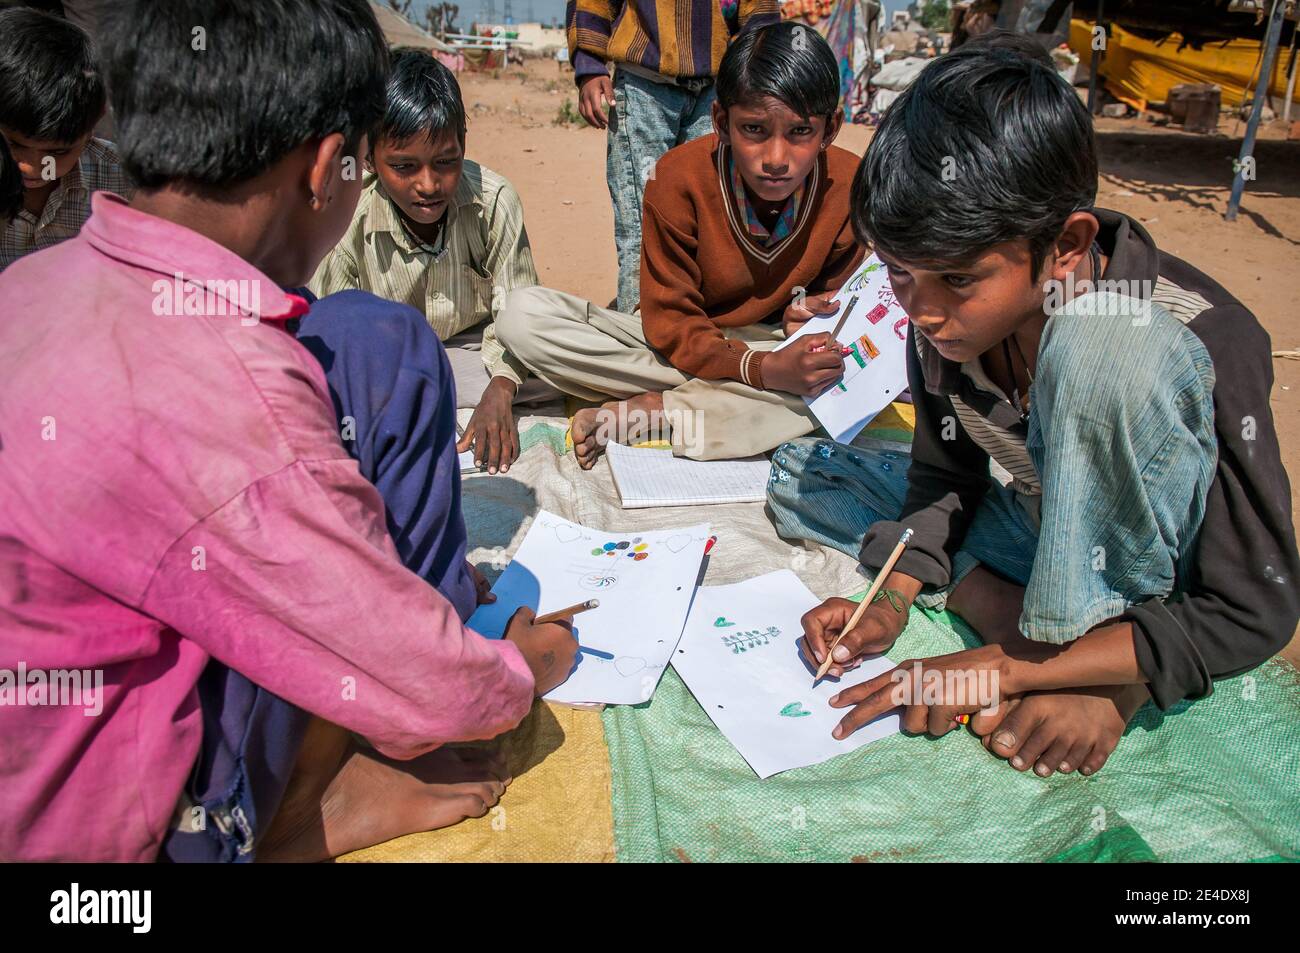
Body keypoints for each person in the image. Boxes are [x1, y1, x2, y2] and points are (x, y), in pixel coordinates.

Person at [0, 0, 577, 863]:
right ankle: (288, 805)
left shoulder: (33, 287)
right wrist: (516, 668)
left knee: (371, 340)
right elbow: (424, 684)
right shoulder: (233, 398)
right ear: (327, 169)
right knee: (361, 633)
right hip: (103, 853)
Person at [768, 45, 1300, 779]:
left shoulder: (1203, 334)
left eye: (957, 277)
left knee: (1097, 348)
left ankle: (1095, 664)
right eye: (898, 271)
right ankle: (1061, 647)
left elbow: (1252, 608)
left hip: (1152, 575)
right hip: (1039, 521)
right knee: (807, 468)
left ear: (1066, 246)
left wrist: (1001, 669)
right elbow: (943, 479)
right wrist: (889, 601)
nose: (918, 310)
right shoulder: (945, 320)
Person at [498, 22, 863, 465]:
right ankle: (710, 403)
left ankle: (660, 412)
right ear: (721, 123)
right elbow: (670, 320)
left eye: (801, 132)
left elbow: (845, 309)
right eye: (754, 129)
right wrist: (757, 370)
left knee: (838, 381)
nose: (776, 158)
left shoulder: (848, 184)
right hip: (681, 348)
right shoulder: (677, 178)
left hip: (773, 347)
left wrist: (806, 319)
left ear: (830, 130)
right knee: (523, 317)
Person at [311, 50, 548, 475]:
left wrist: (502, 386)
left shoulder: (494, 201)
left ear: (463, 144)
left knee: (553, 368)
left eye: (445, 161)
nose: (429, 185)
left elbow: (517, 317)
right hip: (390, 363)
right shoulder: (350, 216)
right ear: (369, 158)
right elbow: (331, 337)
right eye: (403, 166)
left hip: (476, 353)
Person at [566, 0, 779, 311]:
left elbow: (760, 15)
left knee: (710, 214)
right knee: (642, 216)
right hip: (643, 88)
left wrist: (760, 76)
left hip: (717, 93)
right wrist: (589, 66)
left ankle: (693, 322)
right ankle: (640, 328)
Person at [0, 6, 131, 270]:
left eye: (58, 152)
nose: (31, 166)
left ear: (94, 125)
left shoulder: (123, 183)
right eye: (14, 145)